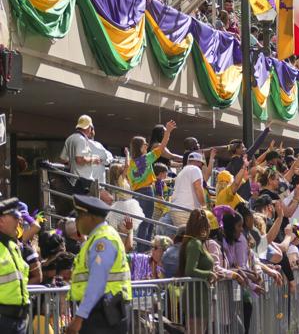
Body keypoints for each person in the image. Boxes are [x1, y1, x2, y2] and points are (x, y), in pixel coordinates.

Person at [66, 194, 131, 334]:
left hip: (103, 314)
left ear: (91, 218)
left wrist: (79, 318)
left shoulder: (102, 240)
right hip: (102, 311)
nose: (76, 221)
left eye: (79, 216)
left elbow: (97, 282)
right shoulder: (97, 238)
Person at [127, 120, 177, 248]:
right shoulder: (145, 159)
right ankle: (143, 251)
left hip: (135, 194)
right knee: (147, 223)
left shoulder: (131, 164)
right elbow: (161, 147)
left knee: (141, 223)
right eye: (144, 144)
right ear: (140, 147)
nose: (147, 145)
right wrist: (168, 132)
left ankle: (141, 248)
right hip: (147, 193)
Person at [177, 210, 215, 334]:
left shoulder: (196, 243)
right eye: (208, 227)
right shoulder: (194, 244)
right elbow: (190, 270)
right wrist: (208, 274)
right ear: (203, 227)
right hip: (195, 298)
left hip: (200, 295)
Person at [0, 198, 30, 333]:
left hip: (19, 321)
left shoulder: (13, 246)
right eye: (15, 217)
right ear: (1, 220)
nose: (19, 221)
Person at [59, 115, 103, 195]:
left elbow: (63, 159)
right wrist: (93, 160)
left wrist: (72, 164)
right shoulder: (81, 140)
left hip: (73, 180)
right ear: (89, 127)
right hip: (83, 181)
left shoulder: (70, 138)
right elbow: (79, 159)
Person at [170, 152, 210, 227]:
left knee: (182, 236)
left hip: (177, 209)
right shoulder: (195, 169)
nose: (201, 166)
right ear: (198, 162)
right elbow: (198, 188)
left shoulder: (182, 171)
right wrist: (204, 206)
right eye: (201, 163)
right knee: (189, 237)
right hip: (185, 210)